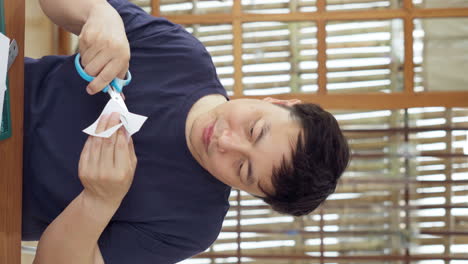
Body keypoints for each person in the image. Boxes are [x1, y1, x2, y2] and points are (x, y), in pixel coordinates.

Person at [23, 0, 350, 263]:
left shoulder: (192, 224)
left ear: (250, 193)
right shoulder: (180, 55)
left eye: (241, 169)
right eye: (254, 129)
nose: (225, 141)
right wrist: (100, 12)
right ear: (278, 101)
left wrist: (98, 201)